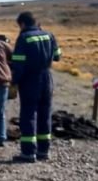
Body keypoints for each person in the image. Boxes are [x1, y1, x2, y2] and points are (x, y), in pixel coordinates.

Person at [10, 11, 62, 163]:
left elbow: (19, 63)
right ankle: (43, 151)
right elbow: (57, 56)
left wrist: (14, 81)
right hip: (47, 79)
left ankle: (28, 153)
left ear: (23, 24)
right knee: (45, 115)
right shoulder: (49, 35)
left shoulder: (24, 38)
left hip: (30, 80)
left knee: (28, 116)